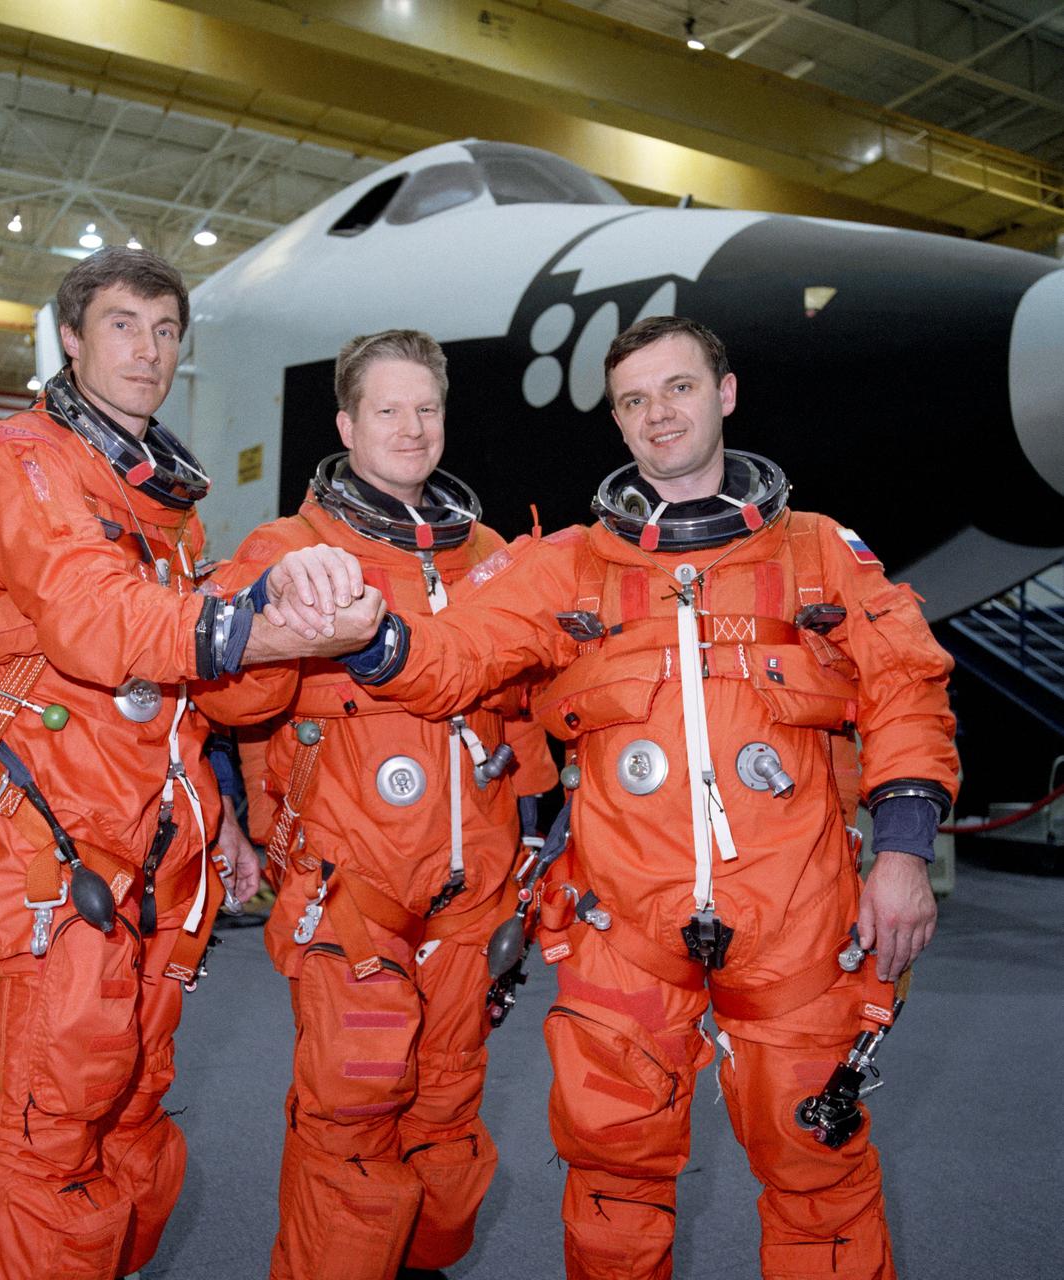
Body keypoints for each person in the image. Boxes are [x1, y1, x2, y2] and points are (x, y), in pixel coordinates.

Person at [318, 316, 959, 1280]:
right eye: (634, 399)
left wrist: (905, 853)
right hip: (624, 923)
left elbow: (907, 686)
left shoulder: (819, 552)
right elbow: (459, 654)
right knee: (614, 1174)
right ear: (617, 422)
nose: (659, 414)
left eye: (679, 388)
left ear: (725, 393)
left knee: (815, 1174)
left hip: (795, 913)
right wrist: (373, 638)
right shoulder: (571, 563)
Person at [0, 247, 380, 1280]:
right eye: (124, 324)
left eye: (165, 329)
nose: (147, 349)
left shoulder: (166, 507)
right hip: (43, 844)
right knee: (51, 1118)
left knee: (132, 1099)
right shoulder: (20, 458)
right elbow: (100, 623)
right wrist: (266, 631)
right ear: (73, 337)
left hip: (149, 847)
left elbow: (168, 697)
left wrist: (218, 816)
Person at [216, 330, 558, 1280]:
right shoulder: (289, 550)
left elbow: (520, 710)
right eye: (387, 409)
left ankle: (419, 1266)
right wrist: (271, 607)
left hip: (472, 893)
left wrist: (537, 835)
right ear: (345, 423)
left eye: (427, 409)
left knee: (446, 1109)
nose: (410, 428)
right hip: (351, 887)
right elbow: (229, 697)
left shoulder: (491, 553)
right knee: (354, 1107)